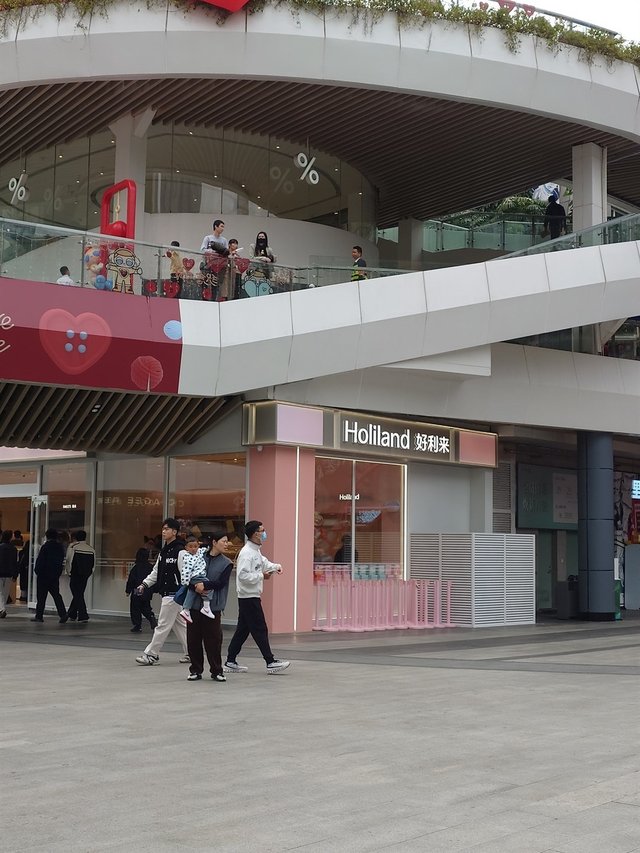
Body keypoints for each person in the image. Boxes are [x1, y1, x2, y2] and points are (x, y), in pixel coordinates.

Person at [224, 520, 290, 674]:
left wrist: (275, 567)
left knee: (243, 630)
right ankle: (270, 661)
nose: (264, 533)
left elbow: (263, 563)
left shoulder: (255, 551)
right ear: (255, 534)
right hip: (248, 597)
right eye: (262, 530)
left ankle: (230, 661)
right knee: (260, 628)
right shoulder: (247, 553)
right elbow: (242, 576)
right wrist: (261, 576)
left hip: (250, 595)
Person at [135, 518, 189, 666]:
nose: (163, 531)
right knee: (181, 626)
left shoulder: (181, 552)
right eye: (163, 529)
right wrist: (145, 584)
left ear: (174, 532)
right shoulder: (164, 552)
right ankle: (192, 652)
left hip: (174, 595)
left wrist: (184, 592)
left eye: (167, 529)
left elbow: (185, 574)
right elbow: (156, 571)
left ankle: (151, 654)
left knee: (162, 625)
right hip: (169, 594)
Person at [186, 531, 233, 682]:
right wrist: (196, 586)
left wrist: (204, 585)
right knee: (193, 639)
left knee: (213, 640)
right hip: (194, 605)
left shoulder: (227, 563)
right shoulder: (198, 557)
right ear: (214, 542)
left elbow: (221, 583)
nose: (226, 544)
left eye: (227, 541)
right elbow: (188, 576)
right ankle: (195, 670)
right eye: (223, 541)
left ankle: (217, 671)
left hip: (213, 607)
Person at [176, 535, 214, 624]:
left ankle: (186, 609)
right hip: (196, 576)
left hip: (198, 575)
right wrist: (185, 582)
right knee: (208, 586)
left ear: (198, 546)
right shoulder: (187, 557)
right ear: (186, 548)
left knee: (192, 592)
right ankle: (206, 606)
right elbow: (185, 570)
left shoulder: (199, 552)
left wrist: (210, 544)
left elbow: (206, 549)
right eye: (190, 547)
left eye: (195, 546)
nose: (193, 549)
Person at [32, 528, 67, 623]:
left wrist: (37, 571)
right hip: (54, 575)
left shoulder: (45, 547)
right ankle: (63, 614)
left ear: (47, 536)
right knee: (56, 595)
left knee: (41, 597)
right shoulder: (60, 547)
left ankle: (39, 616)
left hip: (43, 575)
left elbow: (40, 561)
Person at [64, 530, 96, 623]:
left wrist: (68, 572)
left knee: (77, 594)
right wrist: (90, 573)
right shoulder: (91, 549)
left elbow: (69, 561)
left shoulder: (73, 547)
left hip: (75, 573)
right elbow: (94, 563)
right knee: (79, 593)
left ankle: (83, 615)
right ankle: (72, 613)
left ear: (76, 537)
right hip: (85, 574)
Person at [126, 549, 158, 633]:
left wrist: (128, 590)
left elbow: (131, 580)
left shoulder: (136, 567)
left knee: (135, 607)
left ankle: (137, 625)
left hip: (138, 589)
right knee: (145, 606)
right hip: (147, 590)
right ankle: (151, 617)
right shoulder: (150, 567)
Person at [0, 530, 18, 618]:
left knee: (0, 592)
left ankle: (2, 609)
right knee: (5, 592)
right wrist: (15, 574)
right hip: (9, 573)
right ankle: (2, 608)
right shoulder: (13, 549)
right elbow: (15, 563)